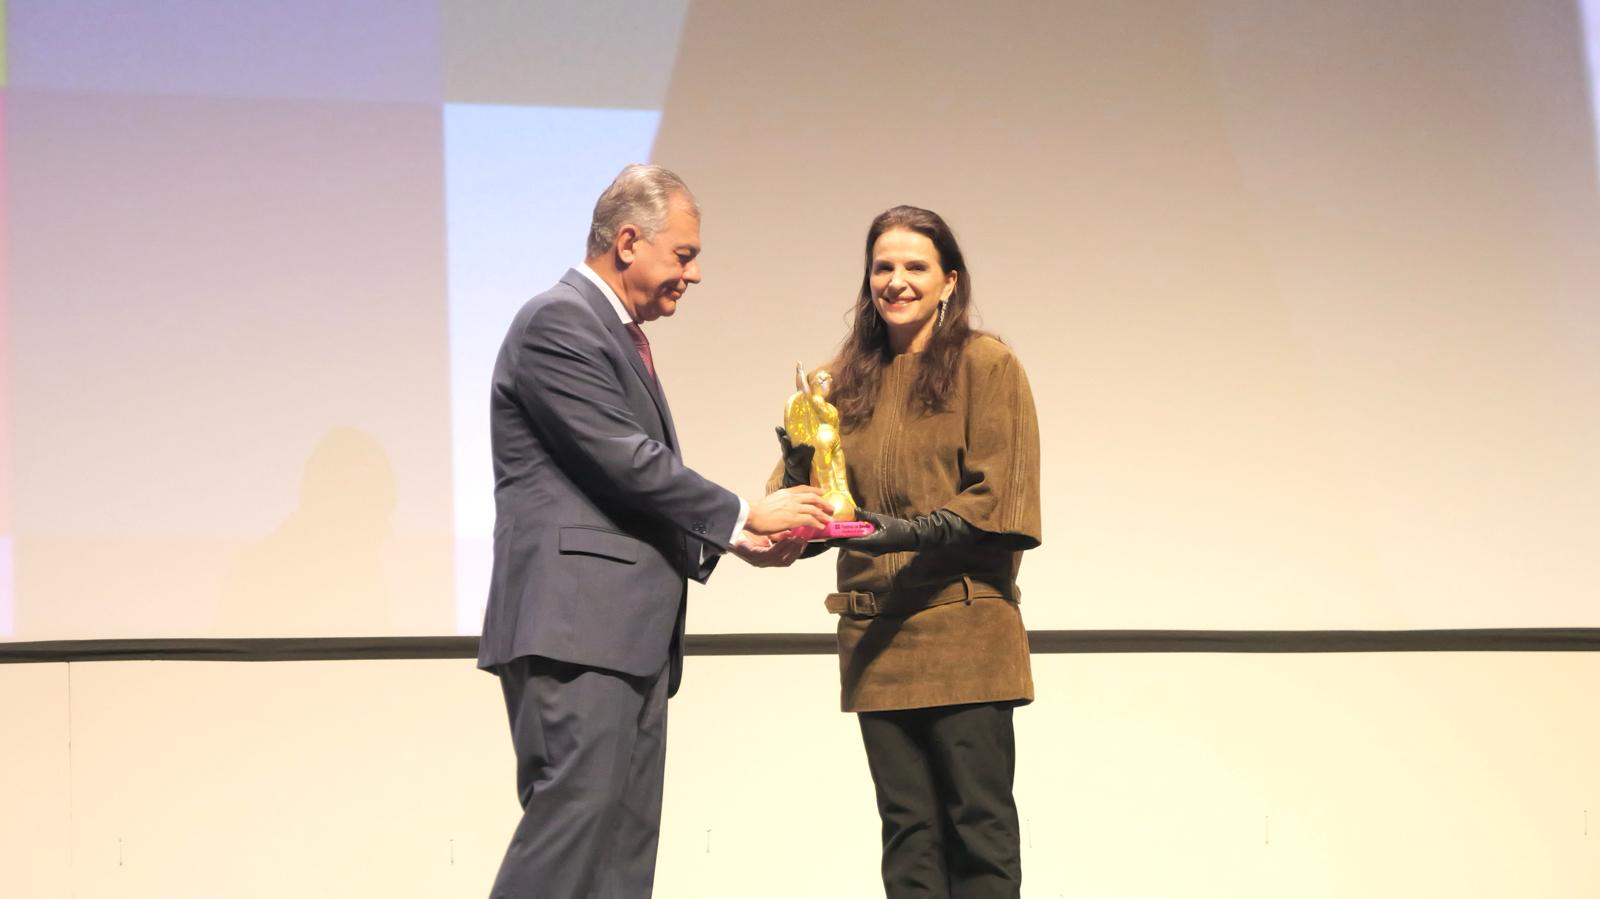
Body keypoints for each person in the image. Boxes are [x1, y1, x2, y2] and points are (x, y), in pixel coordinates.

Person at [479, 163, 828, 898]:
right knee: (569, 838)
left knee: (621, 855)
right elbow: (622, 459)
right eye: (685, 254)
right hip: (576, 630)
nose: (694, 275)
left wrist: (739, 544)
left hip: (625, 635)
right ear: (629, 241)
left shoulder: (612, 331)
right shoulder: (559, 321)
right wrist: (740, 515)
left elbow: (626, 490)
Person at [773, 205, 1041, 898]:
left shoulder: (988, 364)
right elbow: (799, 520)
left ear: (949, 280)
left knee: (977, 835)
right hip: (877, 640)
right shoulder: (841, 383)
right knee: (907, 837)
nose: (896, 281)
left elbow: (1000, 502)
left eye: (915, 266)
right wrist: (801, 465)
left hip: (964, 632)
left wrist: (907, 532)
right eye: (882, 267)